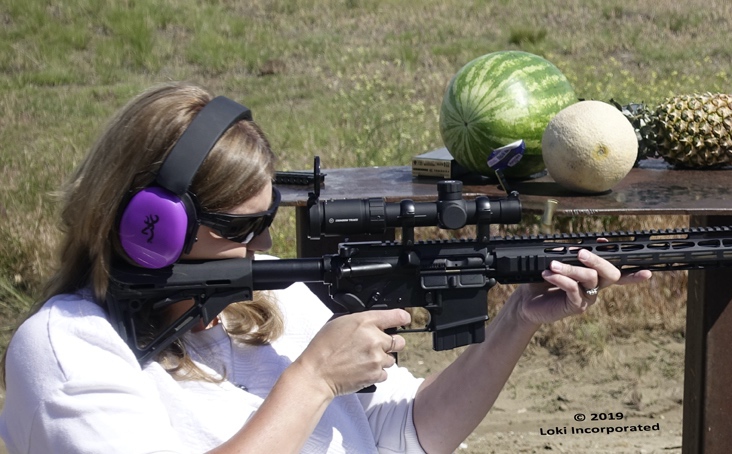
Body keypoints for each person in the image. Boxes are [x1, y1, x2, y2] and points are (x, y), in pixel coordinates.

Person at [0, 82, 652, 454]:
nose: (258, 248)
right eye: (236, 227)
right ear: (148, 225)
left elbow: (408, 433)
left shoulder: (270, 306)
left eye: (265, 223)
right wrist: (311, 379)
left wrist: (515, 322)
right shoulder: (70, 350)